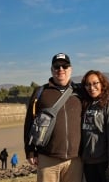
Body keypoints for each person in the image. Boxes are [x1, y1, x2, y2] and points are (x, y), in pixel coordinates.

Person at [24, 53, 83, 182]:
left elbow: (100, 99)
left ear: (70, 69)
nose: (60, 69)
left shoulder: (81, 91)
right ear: (51, 70)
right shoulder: (40, 92)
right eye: (57, 66)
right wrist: (30, 151)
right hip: (47, 158)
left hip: (75, 159)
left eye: (64, 66)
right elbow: (29, 121)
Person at [80, 70, 109, 182]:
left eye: (95, 83)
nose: (91, 87)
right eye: (88, 84)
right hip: (88, 163)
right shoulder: (85, 103)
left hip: (105, 163)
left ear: (102, 84)